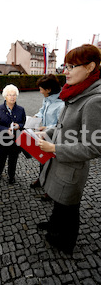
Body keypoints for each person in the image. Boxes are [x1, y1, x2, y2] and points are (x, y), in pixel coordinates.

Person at [37, 44, 101, 254]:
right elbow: (65, 127)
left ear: (90, 67)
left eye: (72, 66)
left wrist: (54, 147)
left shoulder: (94, 100)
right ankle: (54, 226)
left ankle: (65, 242)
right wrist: (46, 133)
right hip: (61, 164)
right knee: (60, 203)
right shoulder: (76, 91)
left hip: (71, 168)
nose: (66, 71)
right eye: (66, 65)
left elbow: (94, 147)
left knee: (69, 208)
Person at [30, 74, 65, 201]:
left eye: (41, 89)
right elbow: (42, 110)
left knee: (51, 163)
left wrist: (46, 128)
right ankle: (41, 179)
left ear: (48, 89)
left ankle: (50, 191)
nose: (40, 91)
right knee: (42, 159)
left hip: (54, 137)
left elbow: (59, 124)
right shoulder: (47, 98)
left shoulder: (61, 104)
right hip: (43, 135)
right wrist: (35, 117)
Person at [0, 84, 26, 184]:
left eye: (14, 95)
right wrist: (5, 129)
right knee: (1, 160)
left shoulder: (21, 109)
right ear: (5, 96)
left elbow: (24, 123)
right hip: (2, 140)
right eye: (10, 95)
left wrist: (18, 126)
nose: (12, 97)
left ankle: (11, 176)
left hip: (15, 141)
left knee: (13, 160)